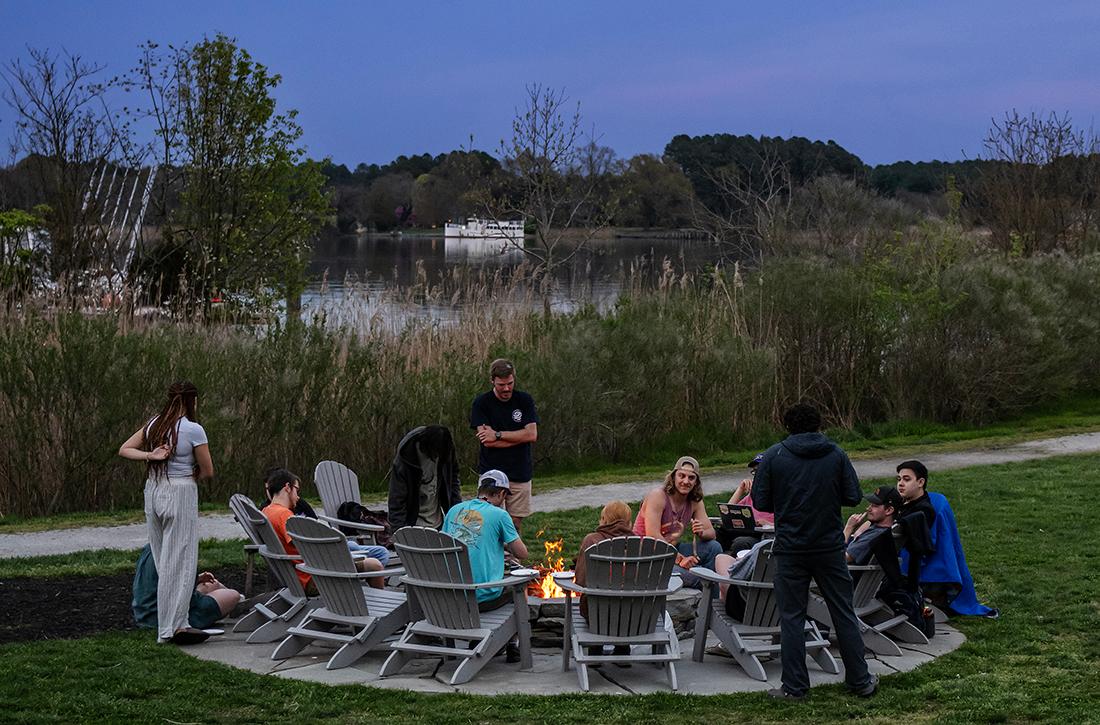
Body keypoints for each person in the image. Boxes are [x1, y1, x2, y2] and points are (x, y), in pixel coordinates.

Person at [753, 403, 877, 700]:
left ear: (787, 425)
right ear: (818, 424)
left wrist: (787, 501)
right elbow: (852, 495)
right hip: (829, 547)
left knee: (792, 617)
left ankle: (795, 688)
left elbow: (760, 501)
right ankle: (860, 680)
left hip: (791, 549)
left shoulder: (774, 456)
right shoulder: (835, 454)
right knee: (843, 612)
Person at [118, 381, 214, 646]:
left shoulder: (154, 424)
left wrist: (151, 455)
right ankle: (173, 628)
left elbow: (124, 449)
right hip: (180, 492)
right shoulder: (194, 429)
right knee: (181, 561)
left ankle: (171, 625)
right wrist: (190, 472)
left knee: (163, 561)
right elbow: (208, 470)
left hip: (153, 491)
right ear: (192, 400)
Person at [443, 469, 529, 662]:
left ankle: (477, 641)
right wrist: (504, 542)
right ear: (500, 494)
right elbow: (522, 553)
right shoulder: (500, 515)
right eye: (505, 496)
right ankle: (513, 646)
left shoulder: (454, 510)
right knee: (519, 588)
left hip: (450, 596)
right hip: (480, 597)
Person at [896, 461, 997, 617]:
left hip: (912, 566)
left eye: (906, 479)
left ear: (921, 482)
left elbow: (916, 546)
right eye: (899, 479)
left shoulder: (922, 511)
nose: (901, 484)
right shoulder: (906, 504)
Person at [262, 470, 386, 592]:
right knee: (375, 564)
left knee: (360, 552)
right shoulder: (284, 515)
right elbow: (306, 548)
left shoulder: (267, 511)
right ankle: (380, 607)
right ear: (287, 487)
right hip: (313, 577)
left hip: (298, 575)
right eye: (297, 490)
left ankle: (365, 599)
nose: (298, 496)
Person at [470, 359, 539, 533]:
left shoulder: (524, 400)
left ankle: (513, 557)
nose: (506, 389)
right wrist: (518, 436)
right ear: (492, 381)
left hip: (519, 471)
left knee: (514, 523)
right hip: (491, 472)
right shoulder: (481, 403)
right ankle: (493, 557)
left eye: (510, 383)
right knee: (489, 521)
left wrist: (498, 435)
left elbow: (531, 434)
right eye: (502, 385)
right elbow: (486, 440)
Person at [632, 456, 723, 587]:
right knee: (701, 578)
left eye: (691, 478)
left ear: (696, 482)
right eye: (682, 476)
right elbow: (653, 537)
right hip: (647, 557)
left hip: (672, 551)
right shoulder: (658, 496)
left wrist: (701, 531)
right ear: (673, 477)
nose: (686, 481)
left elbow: (711, 533)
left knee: (714, 547)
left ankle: (709, 601)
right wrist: (680, 559)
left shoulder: (694, 502)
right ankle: (706, 589)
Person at [132, 544, 241, 632]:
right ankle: (236, 605)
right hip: (165, 617)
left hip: (144, 611)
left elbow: (166, 582)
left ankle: (232, 604)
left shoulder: (151, 547)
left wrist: (198, 579)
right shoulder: (178, 551)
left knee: (213, 584)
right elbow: (181, 594)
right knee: (233, 595)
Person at [388, 425, 462, 530]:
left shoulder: (446, 447)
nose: (436, 457)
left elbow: (453, 479)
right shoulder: (407, 456)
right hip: (413, 524)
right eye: (434, 454)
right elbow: (396, 499)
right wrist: (399, 531)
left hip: (437, 522)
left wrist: (456, 512)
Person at [574, 500, 635, 620]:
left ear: (603, 521)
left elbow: (581, 581)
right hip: (634, 616)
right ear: (629, 524)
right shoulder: (640, 545)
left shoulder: (591, 540)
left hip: (597, 617)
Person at [717, 452, 774, 554]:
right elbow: (726, 513)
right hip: (744, 531)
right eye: (754, 472)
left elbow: (788, 526)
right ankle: (714, 565)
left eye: (759, 471)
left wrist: (768, 524)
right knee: (718, 533)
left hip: (764, 537)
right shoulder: (753, 495)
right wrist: (740, 489)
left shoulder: (781, 495)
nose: (756, 475)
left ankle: (732, 568)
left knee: (741, 543)